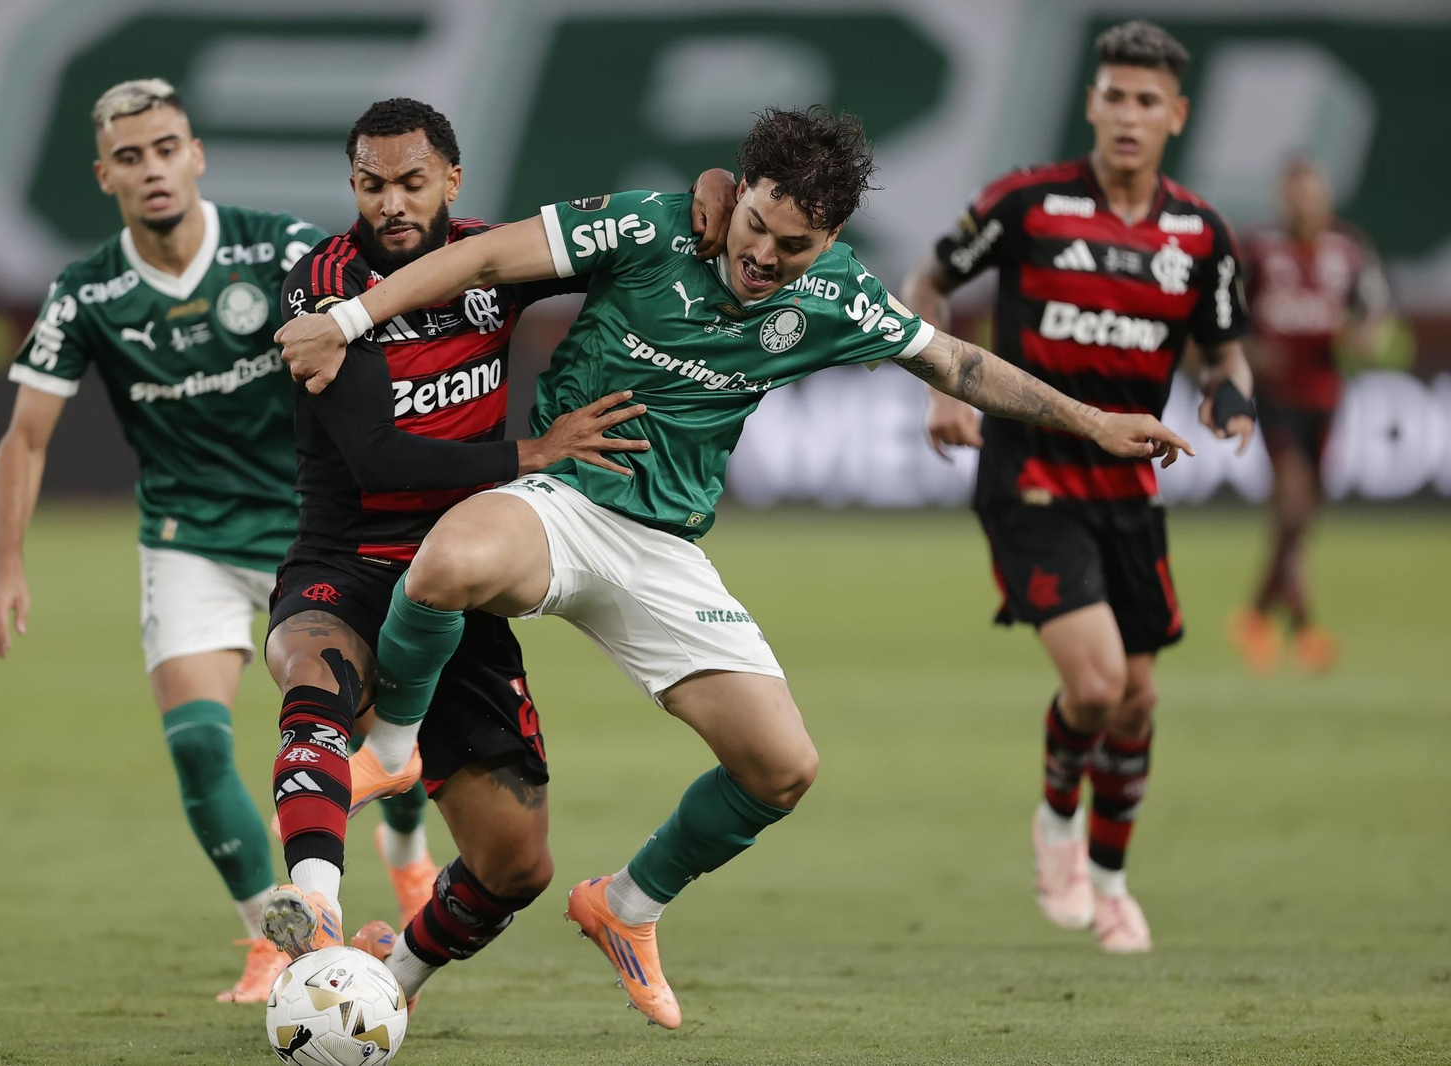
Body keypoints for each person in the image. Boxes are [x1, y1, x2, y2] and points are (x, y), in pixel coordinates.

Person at [274, 104, 1193, 1028]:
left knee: (782, 768)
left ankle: (627, 905)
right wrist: (346, 319)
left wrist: (1093, 423)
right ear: (738, 191)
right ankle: (392, 748)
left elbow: (957, 363)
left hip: (664, 547)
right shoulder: (651, 225)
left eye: (794, 246)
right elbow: (480, 259)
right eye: (755, 225)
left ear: (831, 237)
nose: (763, 257)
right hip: (567, 497)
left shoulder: (838, 295)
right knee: (450, 557)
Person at [255, 99, 740, 1018]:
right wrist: (536, 453)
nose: (392, 203)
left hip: (459, 580)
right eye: (371, 184)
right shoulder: (323, 285)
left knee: (516, 866)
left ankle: (390, 974)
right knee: (315, 676)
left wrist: (709, 189)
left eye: (412, 182)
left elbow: (632, 238)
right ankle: (314, 904)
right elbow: (379, 461)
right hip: (348, 562)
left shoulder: (489, 260)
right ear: (351, 185)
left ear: (452, 179)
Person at [0, 79, 431, 1004]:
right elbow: (25, 438)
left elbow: (385, 312)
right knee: (195, 745)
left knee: (367, 729)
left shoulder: (278, 248)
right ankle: (275, 935)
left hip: (314, 528)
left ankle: (409, 851)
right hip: (189, 537)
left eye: (166, 148)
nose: (153, 169)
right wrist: (5, 565)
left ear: (196, 155)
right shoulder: (87, 291)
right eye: (130, 157)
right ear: (105, 175)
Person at [901, 21, 1255, 953]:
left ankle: (1110, 883)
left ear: (1177, 115)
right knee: (1096, 686)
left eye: (1148, 101)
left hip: (1130, 491)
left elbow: (1224, 351)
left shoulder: (1200, 235)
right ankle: (1057, 820)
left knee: (1138, 701)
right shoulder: (1027, 203)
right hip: (1029, 474)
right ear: (1092, 103)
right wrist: (942, 390)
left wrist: (1232, 396)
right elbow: (926, 284)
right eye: (1115, 96)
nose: (1129, 115)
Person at [1228, 157, 1390, 673]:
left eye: (1312, 195)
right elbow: (1224, 314)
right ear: (1283, 199)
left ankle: (1272, 616)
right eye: (1296, 195)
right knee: (1293, 502)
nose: (1304, 205)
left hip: (1326, 396)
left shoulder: (1349, 249)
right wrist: (1250, 350)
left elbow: (1377, 312)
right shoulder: (1259, 249)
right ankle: (1285, 623)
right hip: (1277, 397)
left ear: (1326, 198)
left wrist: (1366, 336)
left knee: (1301, 516)